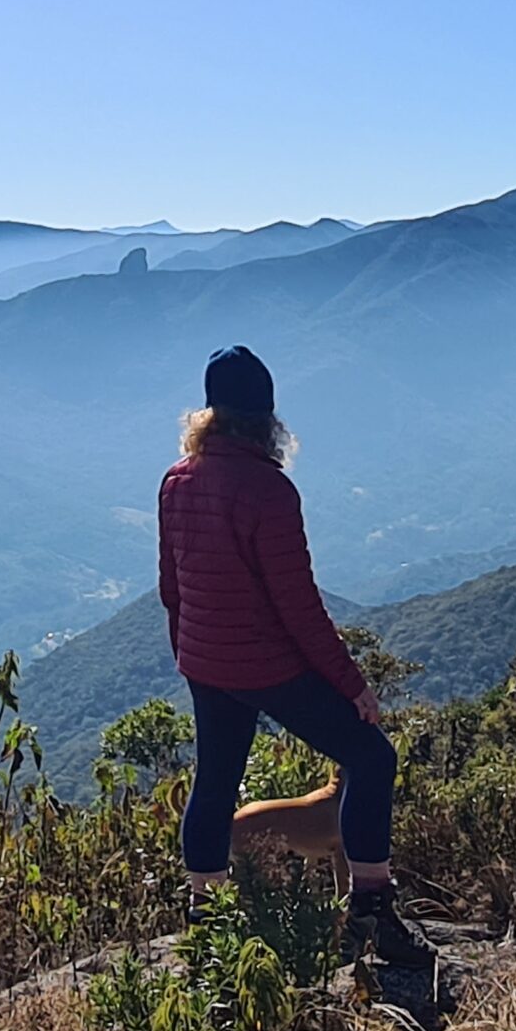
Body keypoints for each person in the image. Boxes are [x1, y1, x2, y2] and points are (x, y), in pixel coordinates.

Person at [157, 344, 434, 966]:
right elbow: (299, 606)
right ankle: (371, 911)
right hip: (264, 665)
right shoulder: (269, 490)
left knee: (214, 782)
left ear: (209, 412)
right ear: (269, 416)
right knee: (370, 756)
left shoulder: (177, 480)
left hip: (206, 662)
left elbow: (171, 586)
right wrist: (352, 685)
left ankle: (206, 921)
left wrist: (190, 653)